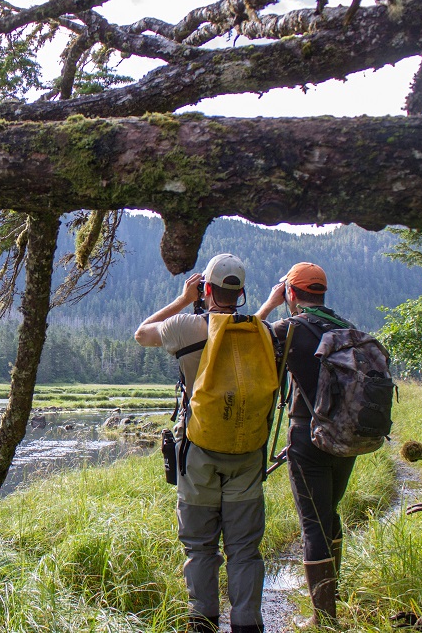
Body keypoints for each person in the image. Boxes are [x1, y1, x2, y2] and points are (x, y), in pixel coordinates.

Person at [135, 253, 266, 633]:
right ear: (240, 293)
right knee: (244, 549)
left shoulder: (187, 326)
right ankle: (247, 624)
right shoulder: (263, 331)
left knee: (200, 547)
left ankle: (203, 624)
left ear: (205, 289)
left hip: (199, 454)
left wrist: (181, 298)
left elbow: (142, 332)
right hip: (247, 453)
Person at [255, 262, 355, 629]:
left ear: (292, 294)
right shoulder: (347, 328)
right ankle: (330, 603)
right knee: (328, 514)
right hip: (345, 438)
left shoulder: (289, 329)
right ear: (322, 292)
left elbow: (244, 338)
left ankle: (324, 620)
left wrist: (269, 304)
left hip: (307, 436)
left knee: (313, 524)